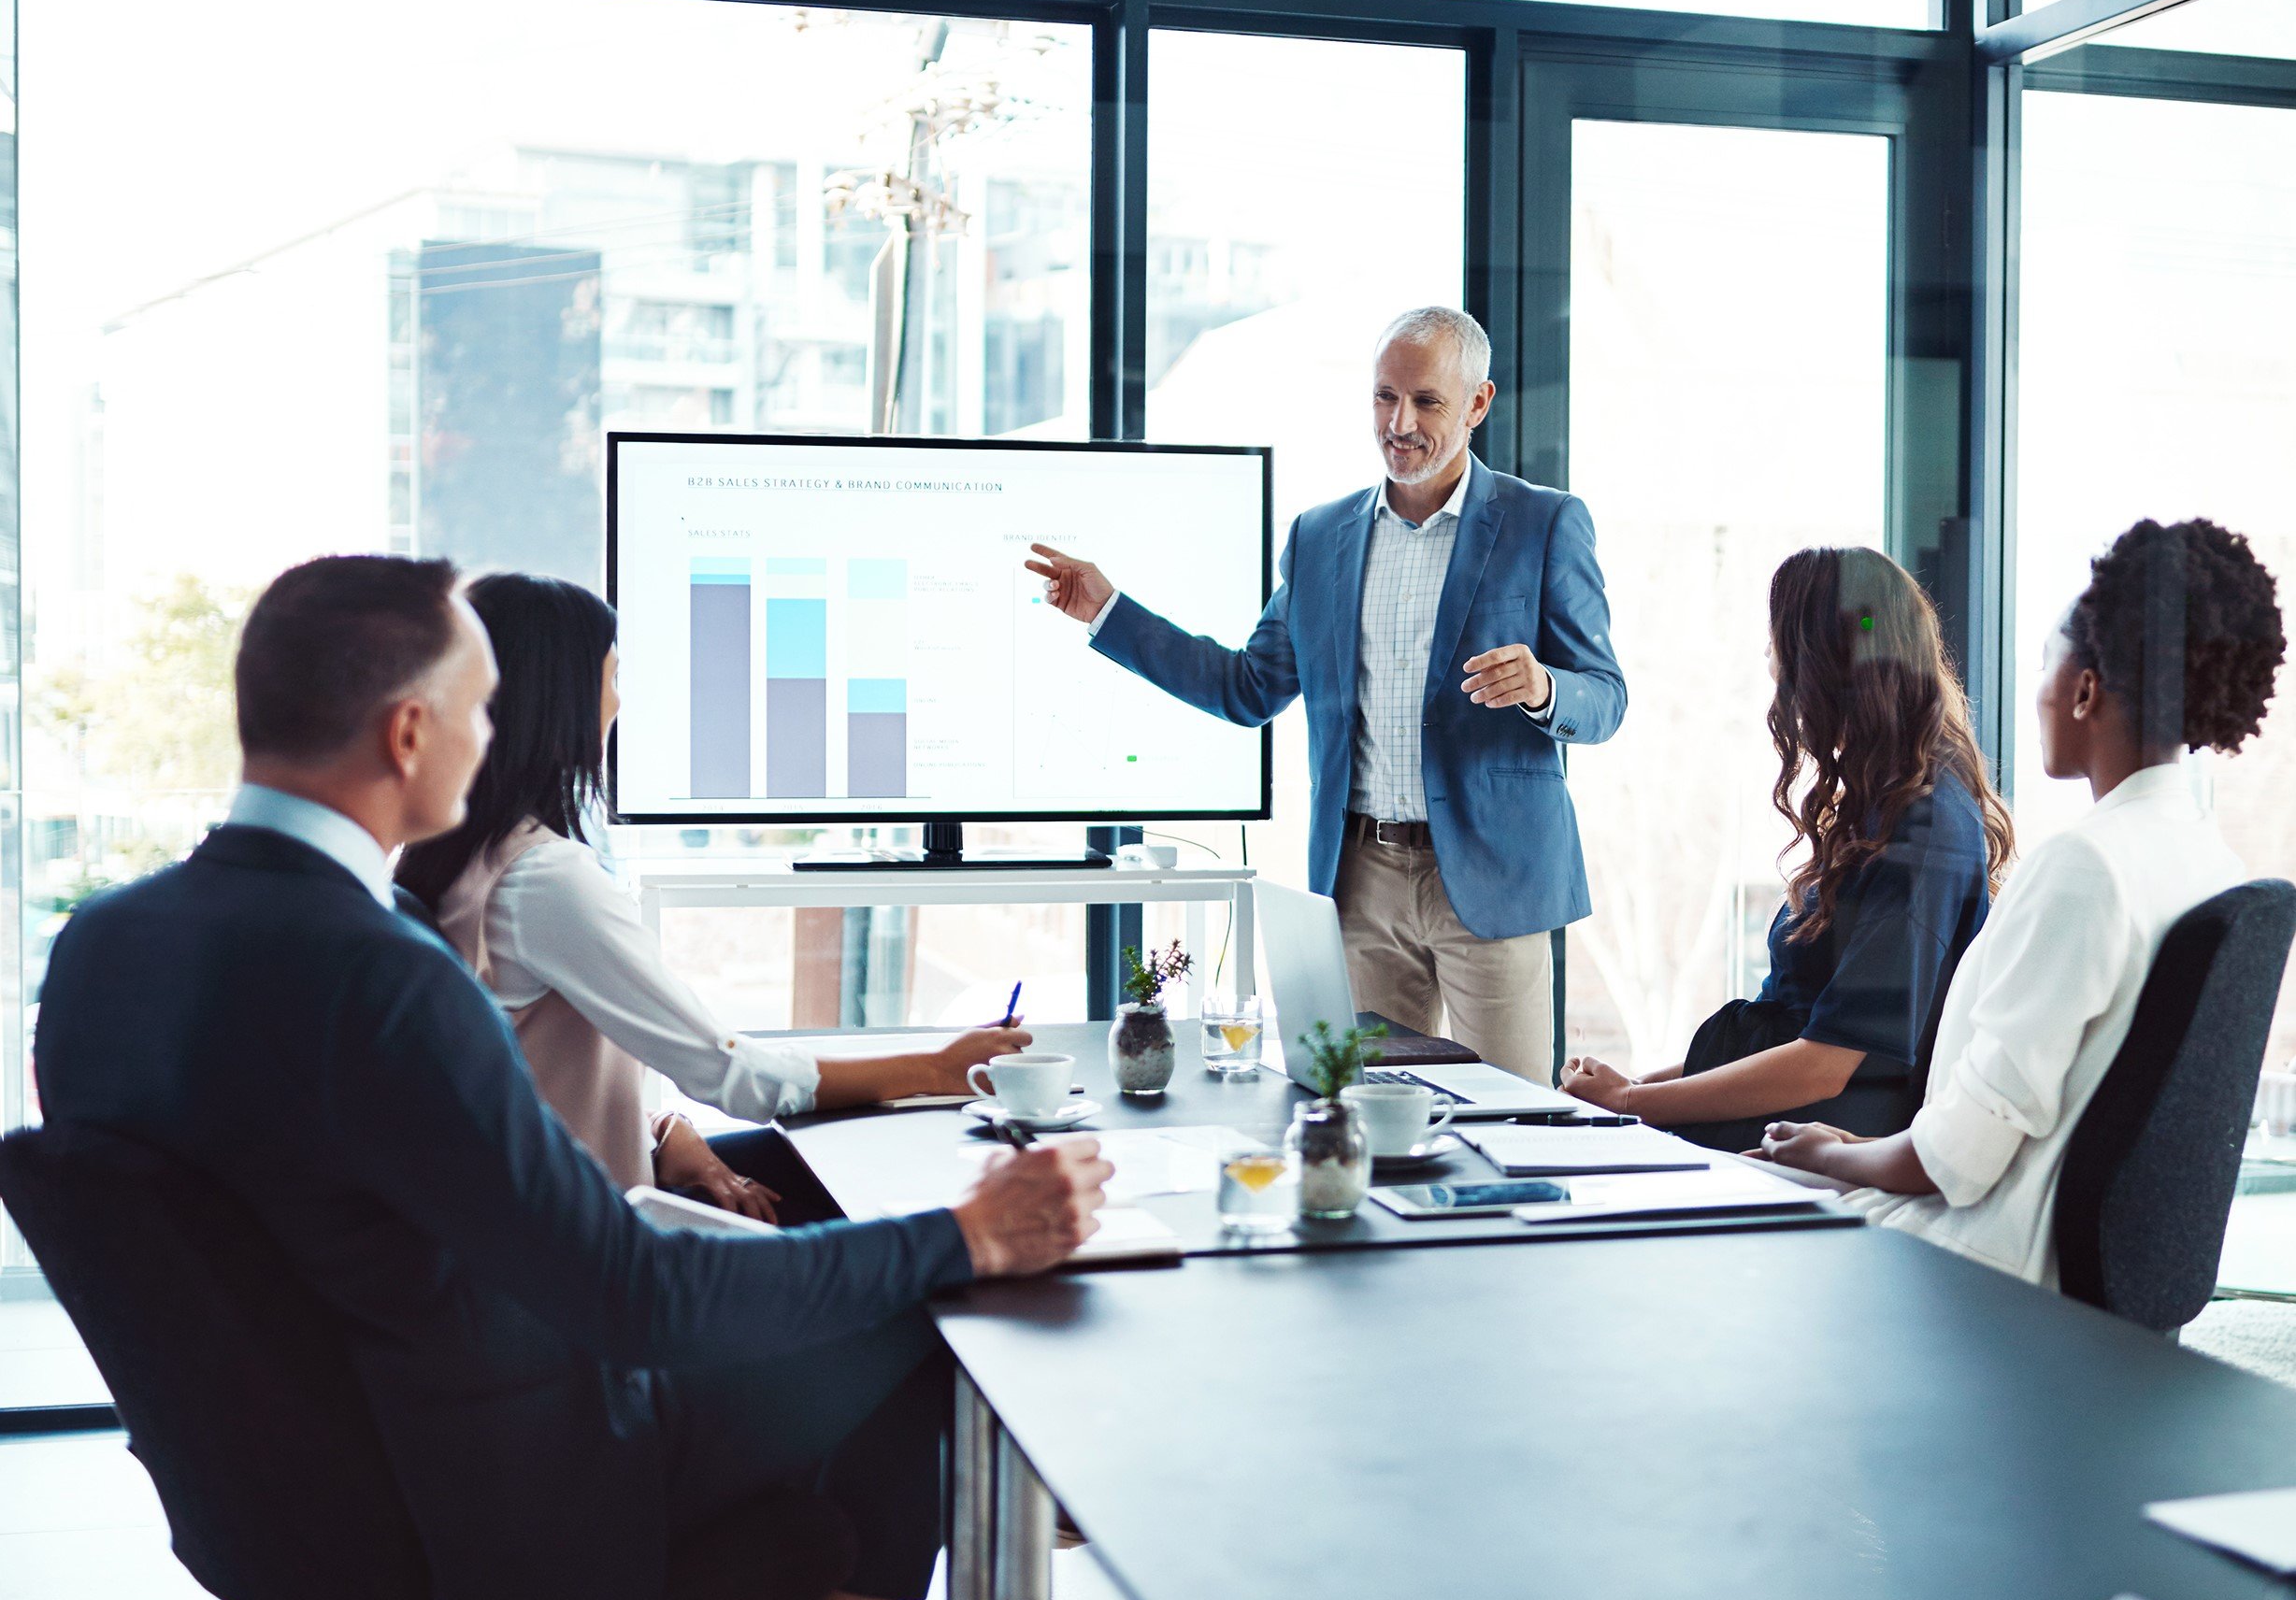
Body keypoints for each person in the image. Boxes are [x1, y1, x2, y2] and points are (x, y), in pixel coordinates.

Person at [32, 555, 1112, 1600]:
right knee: (916, 1324)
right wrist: (964, 1236)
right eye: (480, 713)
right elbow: (630, 1298)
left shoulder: (100, 951)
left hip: (292, 1507)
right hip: (510, 1508)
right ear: (410, 731)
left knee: (824, 1289)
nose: (495, 743)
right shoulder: (385, 980)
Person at [1027, 306, 1624, 1081]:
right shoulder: (1320, 536)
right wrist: (1110, 611)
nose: (1399, 423)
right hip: (1360, 880)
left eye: (1427, 402)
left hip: (1493, 880)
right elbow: (1247, 688)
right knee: (1366, 1116)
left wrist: (1544, 687)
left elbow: (1604, 698)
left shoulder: (1544, 524)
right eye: (1385, 397)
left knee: (1508, 1117)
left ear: (1478, 404)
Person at [396, 571, 1028, 1221]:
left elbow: (525, 1077)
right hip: (592, 1241)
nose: (619, 704)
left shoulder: (453, 858)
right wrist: (938, 1069)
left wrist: (664, 1129)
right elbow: (734, 1076)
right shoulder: (545, 882)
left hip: (529, 1210)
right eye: (612, 680)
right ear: (562, 700)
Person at [1759, 518, 2286, 1286]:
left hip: (1977, 1267)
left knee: (1700, 1207)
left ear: (2083, 689)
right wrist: (1845, 1153)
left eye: (2046, 662)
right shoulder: (2212, 862)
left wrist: (1833, 1155)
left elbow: (1956, 1162)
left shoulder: (2087, 867)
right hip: (2046, 1263)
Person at [1561, 547, 2010, 1150]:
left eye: (1779, 642)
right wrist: (1630, 1091)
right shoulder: (1884, 807)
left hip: (1817, 1139)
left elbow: (1824, 1063)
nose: (1770, 661)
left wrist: (1632, 1103)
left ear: (1822, 665)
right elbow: (1790, 1033)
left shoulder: (1923, 831)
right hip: (1789, 1121)